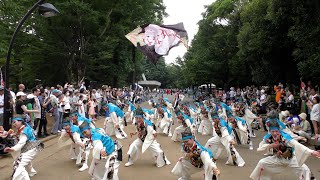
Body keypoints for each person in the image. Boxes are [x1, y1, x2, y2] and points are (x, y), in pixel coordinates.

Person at [249, 118, 320, 180]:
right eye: (272, 131)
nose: (274, 133)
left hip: (291, 158)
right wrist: (271, 146)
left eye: (276, 131)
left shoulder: (285, 137)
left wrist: (311, 152)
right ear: (270, 131)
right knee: (262, 162)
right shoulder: (267, 138)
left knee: (305, 169)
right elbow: (259, 149)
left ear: (279, 130)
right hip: (278, 158)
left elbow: (297, 145)